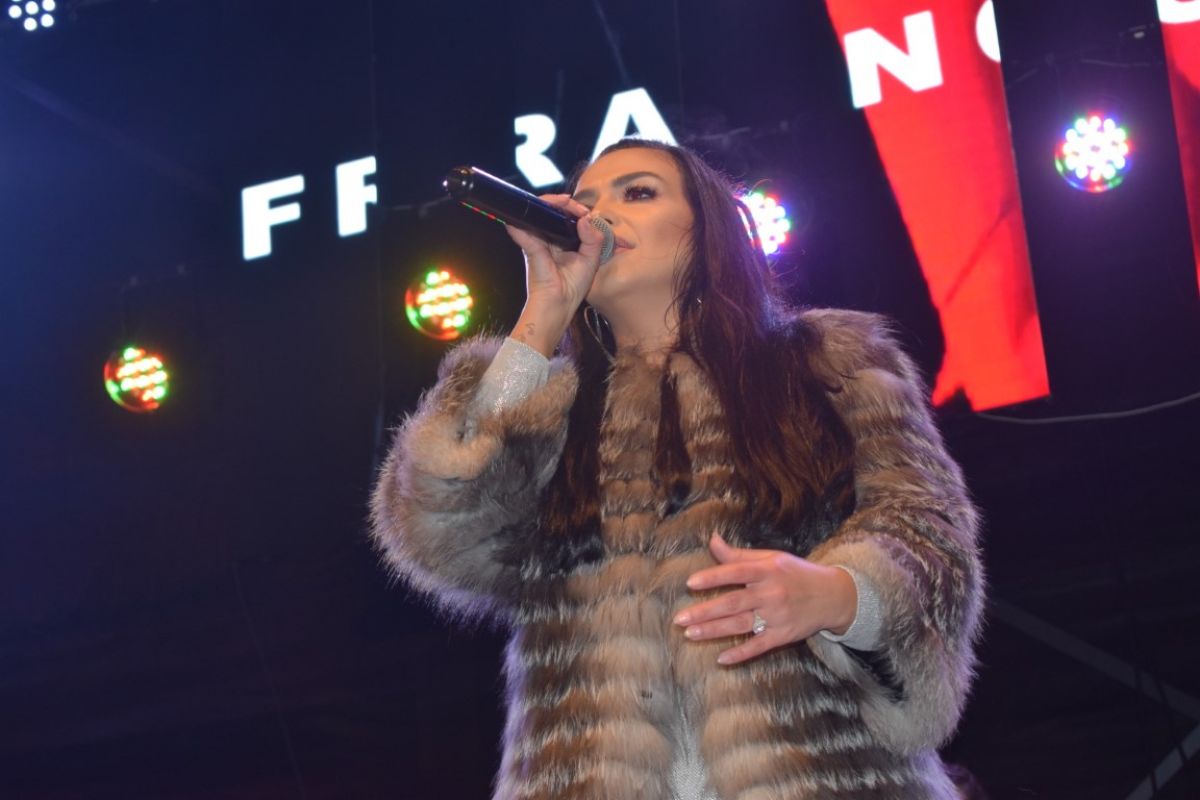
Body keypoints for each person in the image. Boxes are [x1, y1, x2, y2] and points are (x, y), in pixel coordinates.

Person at [368, 138, 986, 799]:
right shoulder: (553, 413)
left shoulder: (828, 364)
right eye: (584, 202)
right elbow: (440, 528)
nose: (598, 216)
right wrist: (542, 314)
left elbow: (925, 528)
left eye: (637, 193)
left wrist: (839, 595)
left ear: (706, 232)